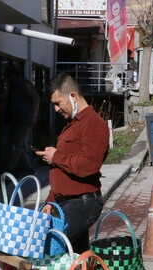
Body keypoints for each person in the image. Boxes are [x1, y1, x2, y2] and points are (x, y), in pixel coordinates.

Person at [37, 73, 109, 247]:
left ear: (73, 96)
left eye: (57, 103)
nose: (56, 109)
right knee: (75, 255)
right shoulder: (73, 124)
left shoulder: (94, 124)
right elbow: (63, 171)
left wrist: (56, 156)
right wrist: (51, 201)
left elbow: (89, 165)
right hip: (67, 202)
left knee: (48, 245)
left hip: (83, 202)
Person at [3, 64, 40, 175]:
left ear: (12, 76)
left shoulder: (22, 84)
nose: (6, 80)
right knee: (19, 144)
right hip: (19, 118)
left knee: (17, 145)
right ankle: (28, 168)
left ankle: (9, 170)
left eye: (7, 77)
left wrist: (33, 115)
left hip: (25, 119)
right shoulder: (15, 84)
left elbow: (36, 98)